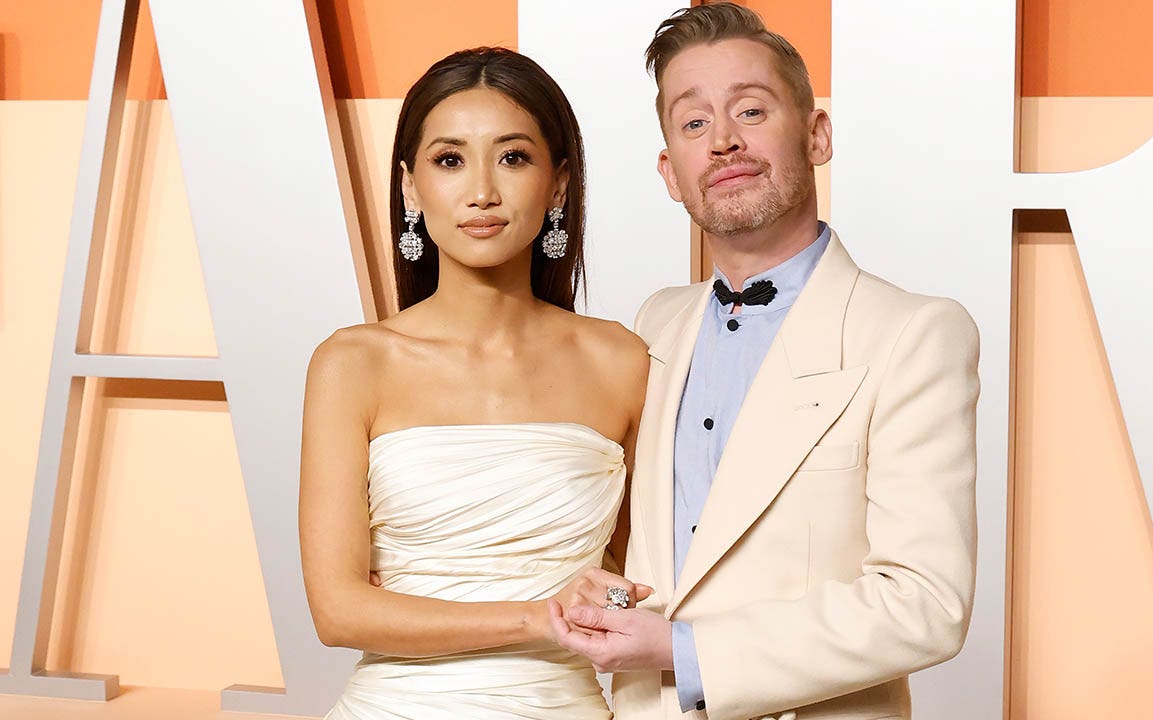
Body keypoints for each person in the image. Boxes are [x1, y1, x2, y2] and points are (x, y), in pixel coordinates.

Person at [548, 5, 981, 719]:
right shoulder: (656, 325)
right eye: (694, 123)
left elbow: (925, 602)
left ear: (817, 135)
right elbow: (652, 553)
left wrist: (684, 652)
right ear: (670, 172)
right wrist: (602, 593)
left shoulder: (914, 333)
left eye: (751, 110)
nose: (723, 141)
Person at [299, 47, 652, 719]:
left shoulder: (620, 361)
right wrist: (542, 616)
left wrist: (601, 603)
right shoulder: (353, 364)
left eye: (513, 157)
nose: (482, 191)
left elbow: (649, 579)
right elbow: (337, 611)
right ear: (410, 188)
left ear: (558, 185)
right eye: (449, 160)